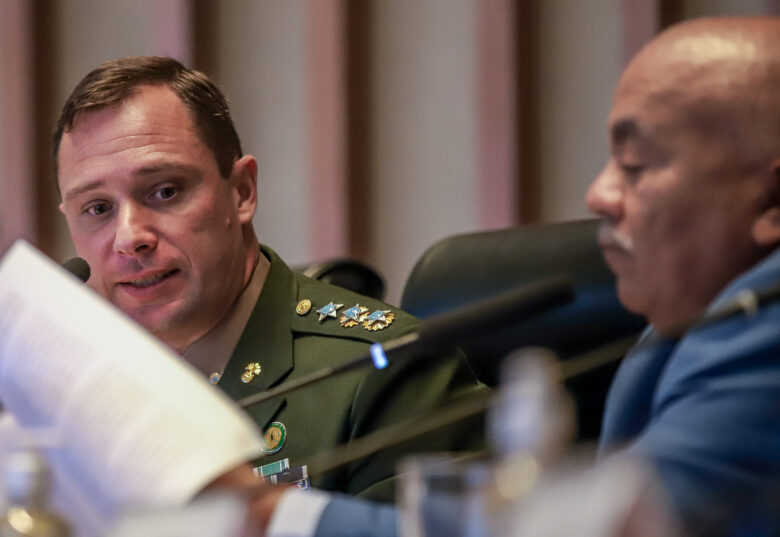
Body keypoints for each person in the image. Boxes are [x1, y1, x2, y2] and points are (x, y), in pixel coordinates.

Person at [217, 15, 780, 537]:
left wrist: (272, 512)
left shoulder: (766, 325)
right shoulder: (690, 323)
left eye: (635, 166)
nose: (599, 194)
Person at [53, 56, 484, 504]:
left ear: (242, 192)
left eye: (165, 191)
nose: (130, 238)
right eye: (98, 209)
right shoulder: (55, 393)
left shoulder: (389, 372)